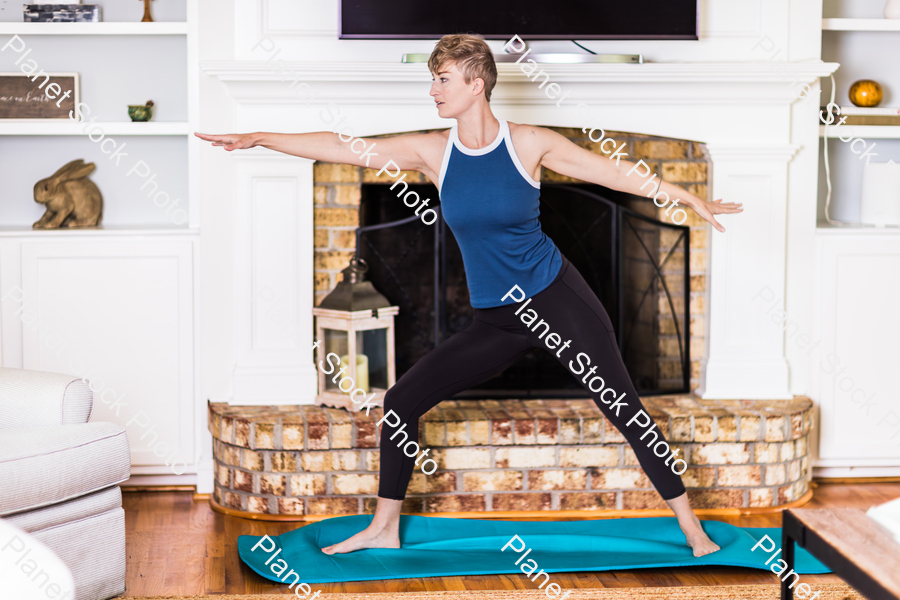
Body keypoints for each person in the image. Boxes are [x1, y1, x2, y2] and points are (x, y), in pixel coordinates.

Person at [196, 33, 742, 559]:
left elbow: (614, 173)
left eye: (442, 79)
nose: (432, 90)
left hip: (556, 298)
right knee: (399, 405)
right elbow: (344, 148)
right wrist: (260, 136)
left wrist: (686, 197)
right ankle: (383, 528)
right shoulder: (433, 152)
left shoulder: (528, 142)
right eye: (432, 80)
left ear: (476, 83)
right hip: (497, 320)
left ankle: (692, 529)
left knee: (622, 406)